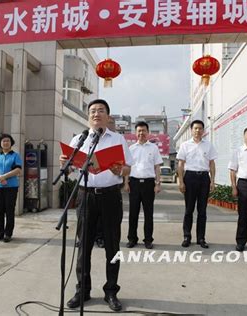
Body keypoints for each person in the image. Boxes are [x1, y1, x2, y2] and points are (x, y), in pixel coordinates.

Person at [60, 99, 133, 312]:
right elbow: (69, 169)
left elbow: (128, 168)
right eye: (92, 111)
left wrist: (121, 170)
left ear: (108, 116)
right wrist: (64, 162)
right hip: (85, 196)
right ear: (87, 116)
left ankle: (111, 291)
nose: (96, 114)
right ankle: (83, 290)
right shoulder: (79, 139)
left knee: (112, 245)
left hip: (110, 196)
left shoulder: (118, 139)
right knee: (83, 245)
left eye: (101, 110)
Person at [177, 120, 217, 249]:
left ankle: (201, 238)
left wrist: (213, 180)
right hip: (189, 177)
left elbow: (211, 164)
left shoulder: (208, 145)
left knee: (202, 211)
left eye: (200, 128)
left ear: (203, 130)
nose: (198, 131)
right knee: (189, 210)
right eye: (195, 128)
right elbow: (180, 164)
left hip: (204, 178)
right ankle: (187, 236)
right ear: (191, 130)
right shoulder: (185, 145)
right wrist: (181, 181)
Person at [124, 121, 163, 249]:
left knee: (148, 213)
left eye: (143, 131)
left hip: (148, 184)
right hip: (134, 183)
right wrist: (126, 183)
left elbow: (157, 167)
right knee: (133, 213)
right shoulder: (131, 149)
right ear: (136, 133)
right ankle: (132, 239)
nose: (141, 133)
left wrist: (157, 183)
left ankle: (148, 240)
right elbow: (127, 167)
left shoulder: (153, 148)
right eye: (139, 131)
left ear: (148, 132)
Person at [0, 134, 22, 243]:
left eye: (8, 141)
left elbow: (18, 170)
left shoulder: (15, 156)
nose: (6, 143)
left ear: (11, 143)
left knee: (9, 210)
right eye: (3, 141)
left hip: (11, 186)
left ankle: (8, 234)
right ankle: (0, 233)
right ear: (0, 143)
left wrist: (5, 176)